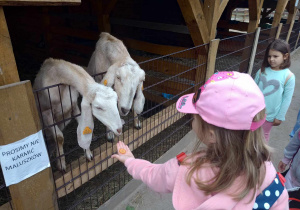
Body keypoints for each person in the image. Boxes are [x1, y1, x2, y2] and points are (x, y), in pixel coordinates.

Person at [112, 71, 288, 210]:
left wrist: (130, 161)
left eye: (194, 117)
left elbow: (153, 175)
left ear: (211, 135)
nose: (192, 120)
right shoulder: (271, 180)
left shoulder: (185, 169)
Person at [254, 39, 295, 142]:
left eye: (275, 56)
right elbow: (253, 90)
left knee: (263, 137)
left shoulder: (288, 76)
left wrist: (280, 116)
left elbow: (287, 99)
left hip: (270, 115)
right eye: (269, 56)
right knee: (250, 135)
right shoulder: (261, 71)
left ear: (285, 56)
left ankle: (261, 157)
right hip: (255, 112)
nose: (271, 59)